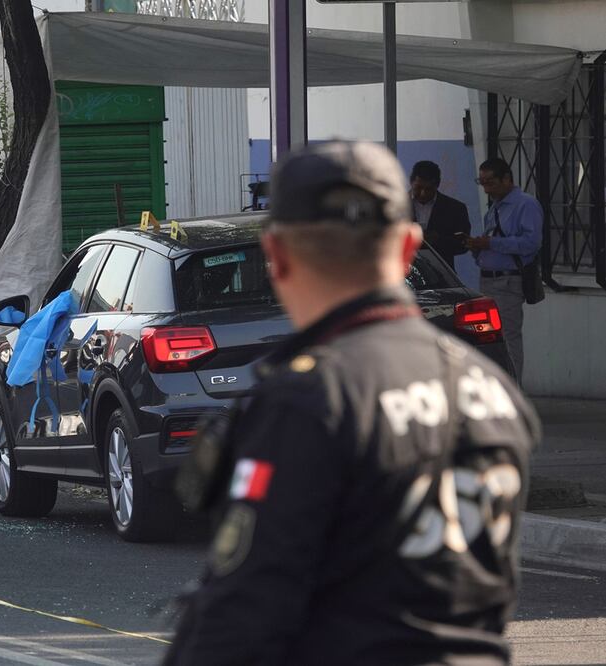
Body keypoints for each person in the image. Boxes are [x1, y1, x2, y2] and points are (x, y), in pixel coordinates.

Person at [166, 142, 539, 665]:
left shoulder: (309, 400)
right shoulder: (492, 392)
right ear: (408, 248)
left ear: (276, 256)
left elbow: (241, 614)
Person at [465, 157, 544, 384]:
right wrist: (477, 247)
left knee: (507, 338)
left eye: (490, 182)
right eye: (482, 183)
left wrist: (491, 243)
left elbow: (531, 243)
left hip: (508, 282)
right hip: (487, 279)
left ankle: (513, 390)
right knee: (488, 340)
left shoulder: (525, 205)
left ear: (506, 179)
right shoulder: (495, 207)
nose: (486, 189)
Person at [409, 160, 471, 269]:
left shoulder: (455, 208)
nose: (423, 193)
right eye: (418, 188)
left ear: (437, 185)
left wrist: (438, 240)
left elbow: (463, 244)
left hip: (441, 274)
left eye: (428, 189)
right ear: (411, 182)